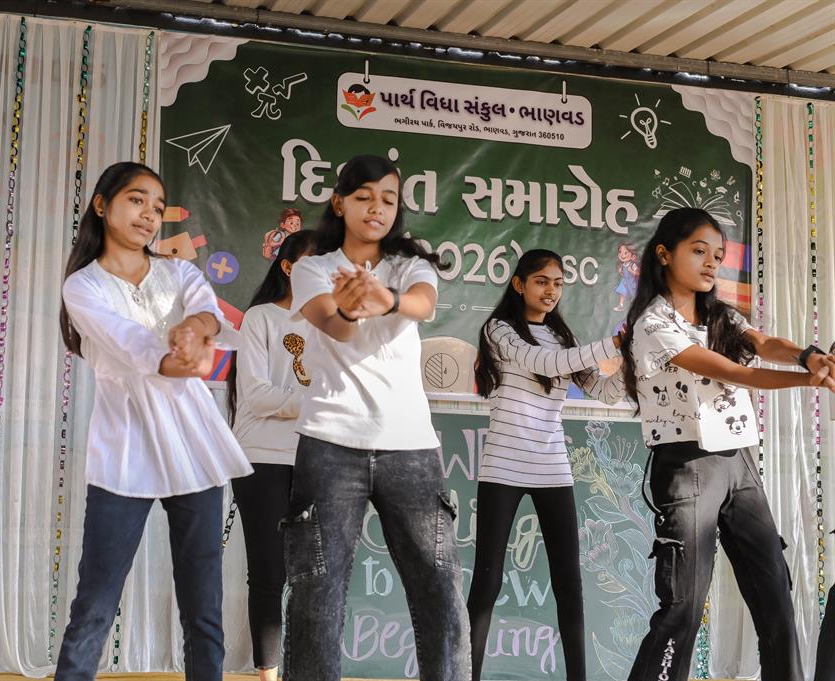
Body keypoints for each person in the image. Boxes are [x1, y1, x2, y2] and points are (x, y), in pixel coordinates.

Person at [619, 207, 835, 681]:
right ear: (664, 254)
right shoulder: (652, 325)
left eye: (718, 256)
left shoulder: (721, 316)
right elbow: (736, 373)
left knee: (775, 592)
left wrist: (807, 355)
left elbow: (764, 344)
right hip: (687, 466)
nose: (711, 263)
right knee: (683, 606)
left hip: (739, 462)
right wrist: (808, 379)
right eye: (699, 251)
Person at [56, 161, 251, 681]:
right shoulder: (83, 286)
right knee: (96, 602)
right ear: (102, 205)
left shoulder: (179, 272)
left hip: (193, 444)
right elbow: (128, 341)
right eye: (137, 200)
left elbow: (207, 309)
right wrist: (173, 359)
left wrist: (196, 328)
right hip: (125, 450)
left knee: (203, 603)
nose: (148, 215)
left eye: (158, 207)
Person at [283, 154, 469, 681]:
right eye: (364, 197)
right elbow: (337, 329)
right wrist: (349, 305)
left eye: (388, 199)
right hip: (328, 443)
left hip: (410, 448)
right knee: (317, 591)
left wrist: (385, 299)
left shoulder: (411, 263)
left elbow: (423, 304)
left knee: (439, 588)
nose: (376, 208)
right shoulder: (314, 268)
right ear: (339, 202)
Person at [469, 249, 625, 681]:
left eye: (558, 283)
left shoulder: (564, 339)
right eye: (541, 281)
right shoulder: (499, 329)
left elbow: (607, 393)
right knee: (487, 582)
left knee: (569, 584)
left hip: (552, 467)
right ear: (519, 284)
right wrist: (613, 343)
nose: (551, 290)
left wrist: (633, 358)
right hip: (503, 466)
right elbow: (544, 363)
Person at [226, 228, 316, 681]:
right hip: (262, 457)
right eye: (312, 261)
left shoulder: (334, 325)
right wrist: (317, 403)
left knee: (315, 576)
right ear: (287, 266)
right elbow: (256, 395)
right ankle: (268, 674)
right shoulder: (261, 317)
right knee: (268, 572)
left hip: (317, 458)